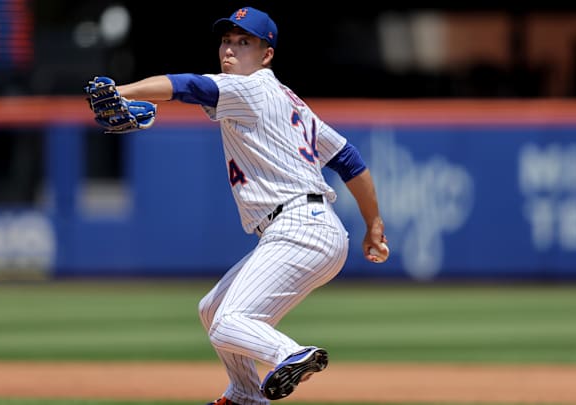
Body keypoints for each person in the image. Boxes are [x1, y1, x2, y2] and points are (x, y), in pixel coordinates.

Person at [108, 6, 387, 405]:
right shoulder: (288, 100)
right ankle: (243, 394)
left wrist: (123, 92)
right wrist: (373, 224)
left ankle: (290, 354)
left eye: (244, 42)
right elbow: (349, 160)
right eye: (226, 40)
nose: (230, 50)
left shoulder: (251, 88)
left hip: (300, 228)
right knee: (212, 309)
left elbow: (187, 85)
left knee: (229, 321)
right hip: (306, 228)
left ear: (266, 54)